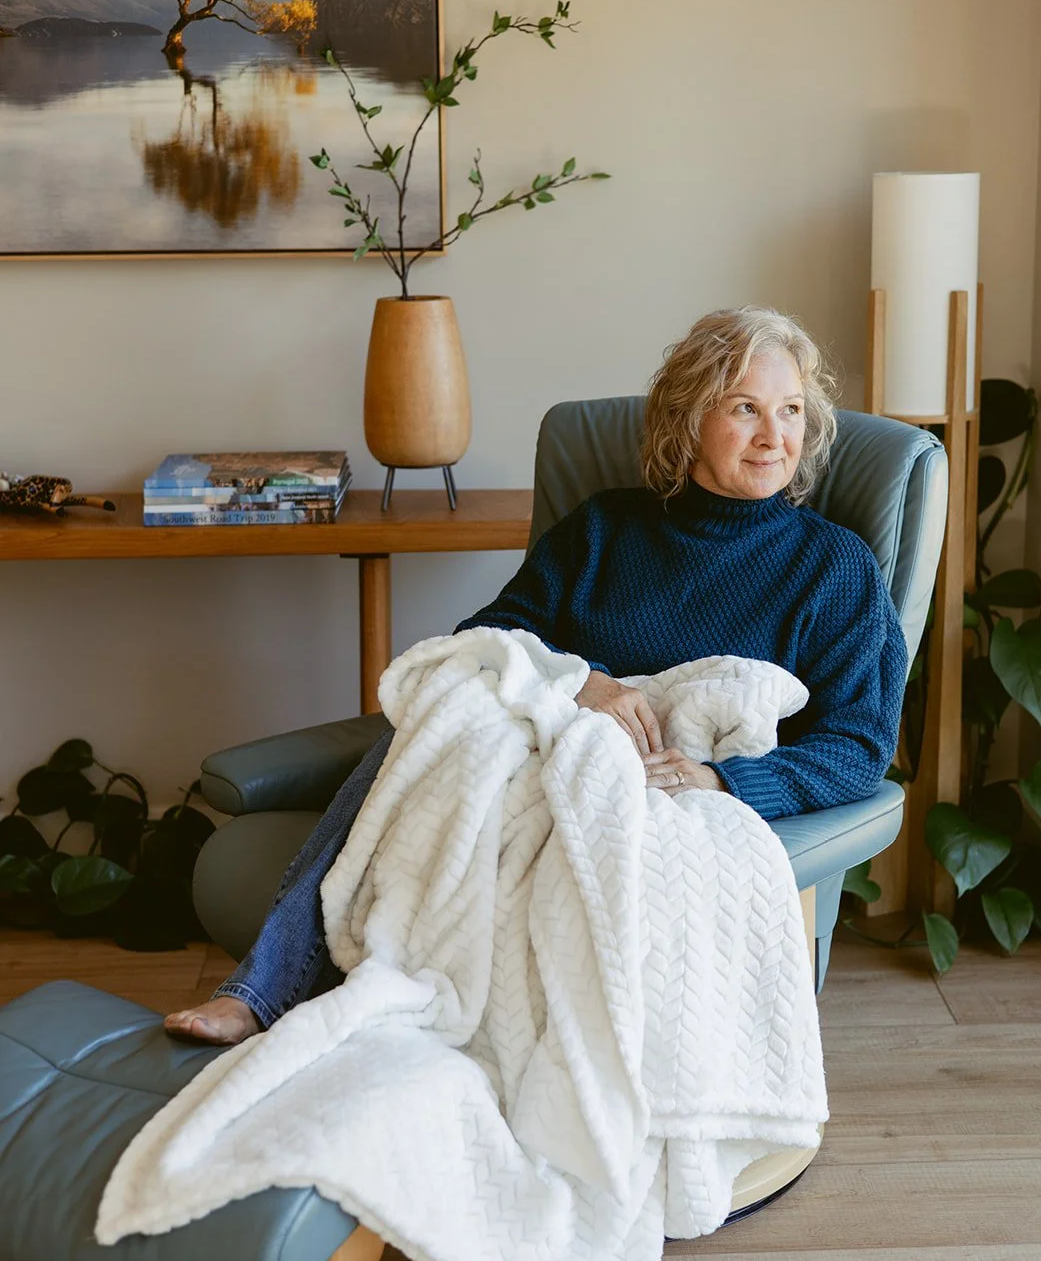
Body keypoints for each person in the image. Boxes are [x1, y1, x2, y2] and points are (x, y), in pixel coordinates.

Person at [165, 306, 908, 1046]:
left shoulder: (832, 567)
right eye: (745, 408)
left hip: (662, 793)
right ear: (687, 418)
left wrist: (723, 779)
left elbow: (858, 743)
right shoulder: (604, 529)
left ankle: (418, 1025)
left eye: (789, 411)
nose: (774, 436)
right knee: (443, 717)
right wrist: (578, 681)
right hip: (532, 758)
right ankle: (266, 991)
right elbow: (482, 642)